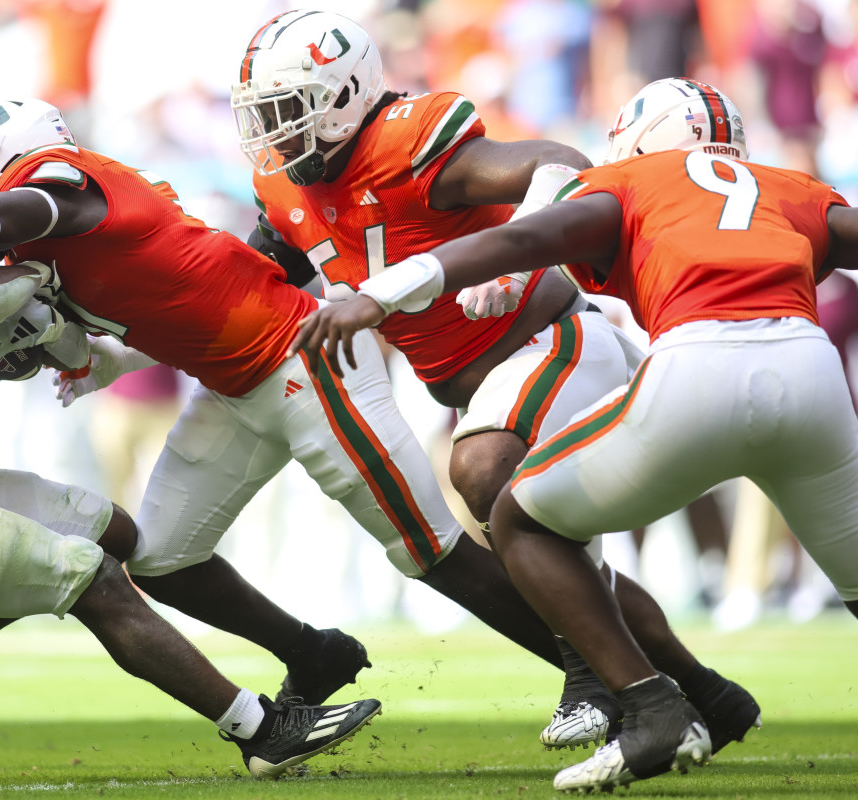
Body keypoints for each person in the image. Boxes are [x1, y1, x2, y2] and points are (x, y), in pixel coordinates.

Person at [0, 95, 594, 746]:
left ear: (4, 160)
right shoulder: (59, 230)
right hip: (236, 382)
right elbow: (157, 308)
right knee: (163, 560)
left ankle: (598, 671)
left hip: (305, 360)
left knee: (428, 550)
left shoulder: (57, 180)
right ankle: (313, 654)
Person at [289, 76, 858, 792]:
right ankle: (693, 695)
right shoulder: (788, 184)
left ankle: (644, 706)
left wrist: (380, 294)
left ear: (641, 140)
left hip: (700, 365)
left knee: (519, 520)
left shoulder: (627, 178)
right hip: (811, 373)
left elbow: (527, 234)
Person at [232, 9, 755, 751]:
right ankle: (708, 695)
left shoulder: (406, 141)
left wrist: (514, 253)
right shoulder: (286, 186)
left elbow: (561, 162)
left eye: (289, 112)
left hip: (558, 338)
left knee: (481, 470)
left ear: (346, 94)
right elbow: (253, 274)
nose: (275, 135)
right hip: (490, 379)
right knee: (554, 563)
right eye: (264, 116)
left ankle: (594, 680)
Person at [0, 114, 381, 778]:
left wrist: (42, 329)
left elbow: (56, 349)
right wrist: (39, 290)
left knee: (113, 531)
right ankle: (259, 730)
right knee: (93, 577)